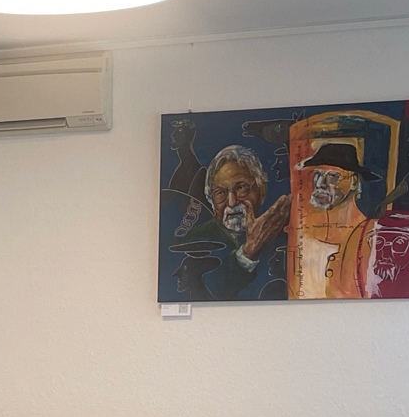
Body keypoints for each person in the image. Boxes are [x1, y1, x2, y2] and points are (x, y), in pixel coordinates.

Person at [161, 125, 291, 300]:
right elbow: (210, 290)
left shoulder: (282, 231)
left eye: (241, 188)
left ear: (261, 190)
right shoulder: (197, 239)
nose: (232, 202)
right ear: (211, 201)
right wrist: (248, 252)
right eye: (220, 193)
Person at [290, 142, 379, 299]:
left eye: (333, 176)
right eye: (317, 175)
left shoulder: (371, 235)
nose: (320, 184)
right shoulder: (302, 234)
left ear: (354, 182)